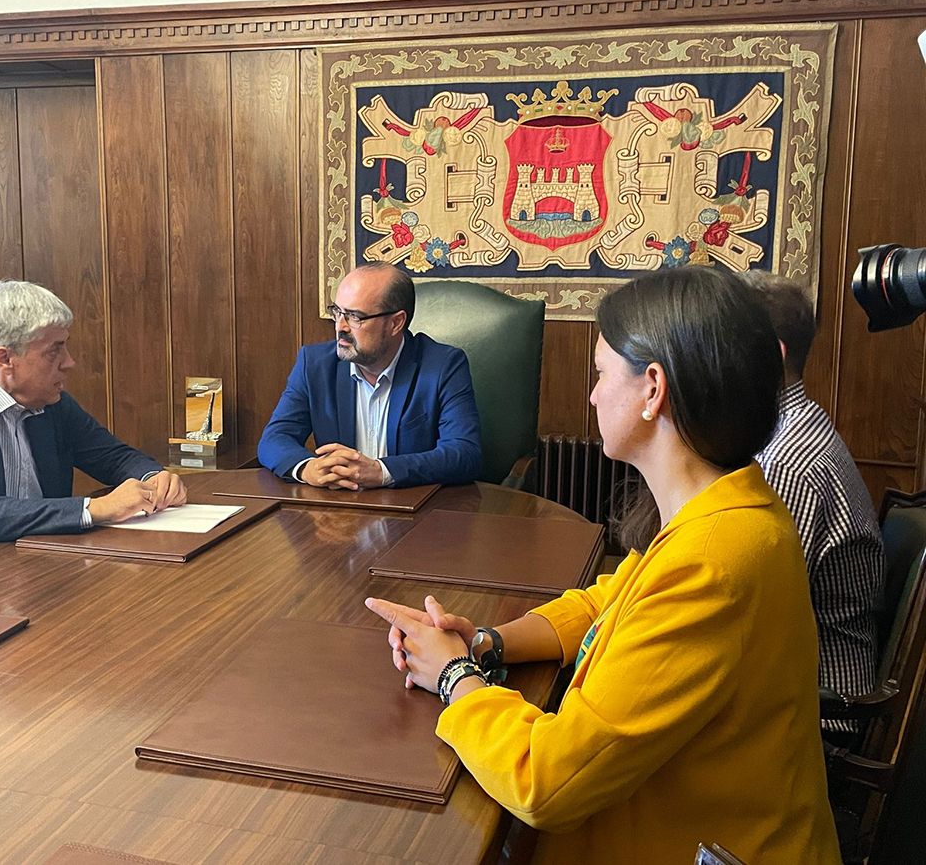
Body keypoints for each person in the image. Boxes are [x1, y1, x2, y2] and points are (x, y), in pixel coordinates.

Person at [367, 268, 840, 863]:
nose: (591, 395)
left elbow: (547, 782)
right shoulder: (725, 507)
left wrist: (456, 678)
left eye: (600, 373)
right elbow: (608, 602)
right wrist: (489, 641)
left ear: (652, 389)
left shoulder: (713, 562)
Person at [0, 280, 185, 568]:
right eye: (54, 350)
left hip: (25, 569)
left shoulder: (48, 401)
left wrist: (154, 478)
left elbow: (115, 457)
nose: (69, 362)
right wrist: (95, 509)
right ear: (5, 359)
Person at [741, 270, 883, 741]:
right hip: (790, 684)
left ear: (771, 354)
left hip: (818, 712)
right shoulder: (788, 429)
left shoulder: (786, 461)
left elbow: (754, 612)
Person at [257, 264, 481, 489]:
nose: (340, 327)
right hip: (338, 512)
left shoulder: (443, 366)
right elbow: (274, 438)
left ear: (396, 323)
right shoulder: (315, 364)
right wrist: (306, 468)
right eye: (337, 312)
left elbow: (464, 453)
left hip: (415, 509)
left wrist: (382, 471)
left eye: (355, 317)